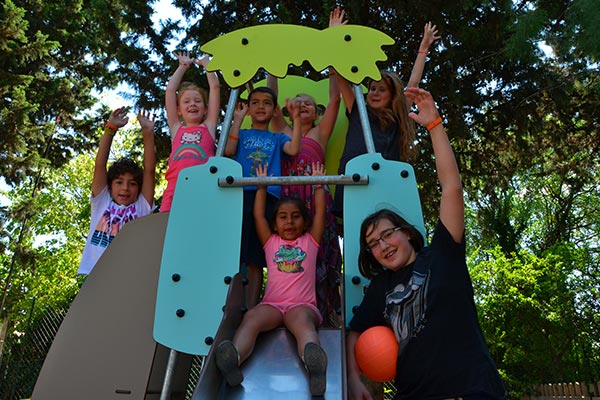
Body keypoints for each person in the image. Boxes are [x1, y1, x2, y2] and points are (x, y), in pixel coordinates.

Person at [346, 88, 506, 400]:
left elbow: (451, 188)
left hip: (472, 391)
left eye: (387, 233)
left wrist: (434, 126)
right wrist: (353, 379)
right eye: (373, 244)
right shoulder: (381, 288)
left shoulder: (443, 255)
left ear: (405, 232)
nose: (382, 245)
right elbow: (354, 332)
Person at [215, 162, 328, 397]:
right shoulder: (271, 243)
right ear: (275, 224)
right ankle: (234, 357)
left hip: (302, 305)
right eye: (283, 217)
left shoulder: (310, 242)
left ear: (304, 223)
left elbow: (320, 214)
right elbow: (258, 214)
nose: (289, 222)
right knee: (252, 317)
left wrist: (319, 186)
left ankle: (314, 363)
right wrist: (262, 188)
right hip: (273, 305)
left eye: (296, 217)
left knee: (303, 325)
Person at [265, 6, 347, 326]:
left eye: (308, 104)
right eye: (298, 103)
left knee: (323, 253)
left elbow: (336, 98)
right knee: (289, 255)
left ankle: (328, 312)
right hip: (289, 200)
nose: (303, 106)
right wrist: (273, 68)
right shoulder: (283, 132)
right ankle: (284, 303)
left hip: (315, 196)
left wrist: (332, 42)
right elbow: (271, 99)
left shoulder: (319, 133)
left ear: (315, 111)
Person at [332, 21, 441, 219]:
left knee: (383, 223)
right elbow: (341, 77)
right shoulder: (358, 110)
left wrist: (423, 47)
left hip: (383, 181)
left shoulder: (398, 117)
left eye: (382, 90)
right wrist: (335, 39)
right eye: (372, 88)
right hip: (354, 178)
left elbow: (413, 83)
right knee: (355, 225)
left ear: (392, 96)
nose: (374, 93)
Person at [224, 87, 302, 308]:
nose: (260, 106)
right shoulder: (243, 134)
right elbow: (229, 150)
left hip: (268, 196)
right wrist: (237, 120)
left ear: (275, 109)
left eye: (266, 103)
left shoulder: (277, 138)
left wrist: (295, 119)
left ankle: (251, 306)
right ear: (248, 108)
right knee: (236, 251)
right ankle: (229, 305)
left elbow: (294, 148)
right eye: (255, 102)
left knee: (257, 256)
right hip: (241, 194)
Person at [77, 107, 156, 275]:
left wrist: (148, 133)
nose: (125, 188)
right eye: (119, 182)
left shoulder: (142, 207)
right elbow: (100, 165)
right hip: (96, 274)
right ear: (110, 186)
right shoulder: (101, 202)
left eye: (132, 183)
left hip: (130, 275)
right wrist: (110, 128)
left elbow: (149, 170)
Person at [160, 51, 220, 212]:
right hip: (175, 184)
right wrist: (183, 66)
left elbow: (214, 88)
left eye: (198, 101)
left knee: (200, 222)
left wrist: (209, 66)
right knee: (165, 224)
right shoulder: (176, 127)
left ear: (206, 109)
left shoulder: (208, 126)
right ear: (178, 110)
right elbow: (170, 92)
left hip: (203, 183)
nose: (192, 104)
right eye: (187, 101)